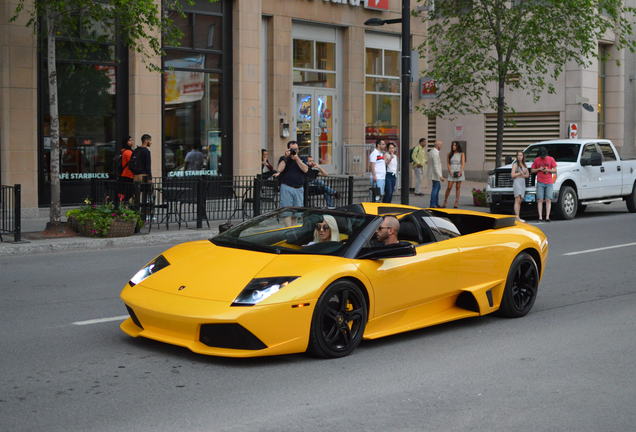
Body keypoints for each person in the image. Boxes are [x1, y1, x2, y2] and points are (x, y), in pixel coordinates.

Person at [275, 140, 309, 225]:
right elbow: (279, 169)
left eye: (296, 149)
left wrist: (297, 158)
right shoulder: (284, 158)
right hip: (287, 187)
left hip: (299, 188)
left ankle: (293, 231)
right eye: (292, 149)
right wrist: (286, 157)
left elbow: (305, 169)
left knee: (297, 213)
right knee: (286, 211)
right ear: (288, 149)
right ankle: (288, 229)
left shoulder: (302, 158)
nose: (294, 151)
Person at [531, 146, 557, 222]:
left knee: (548, 199)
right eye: (542, 155)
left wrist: (548, 170)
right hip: (540, 182)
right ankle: (540, 217)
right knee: (540, 200)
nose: (543, 157)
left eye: (544, 155)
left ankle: (547, 217)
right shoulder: (537, 160)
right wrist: (539, 169)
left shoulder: (551, 159)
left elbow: (555, 170)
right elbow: (532, 170)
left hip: (549, 182)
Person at [133, 134, 152, 224]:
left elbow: (131, 165)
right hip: (143, 176)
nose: (151, 142)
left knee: (136, 198)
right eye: (150, 140)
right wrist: (150, 178)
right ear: (146, 141)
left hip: (135, 177)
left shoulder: (136, 150)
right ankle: (143, 218)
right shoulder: (146, 151)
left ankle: (135, 216)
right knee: (145, 197)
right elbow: (148, 166)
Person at [442, 141, 466, 208]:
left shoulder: (461, 154)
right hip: (452, 170)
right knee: (449, 187)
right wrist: (450, 171)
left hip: (459, 170)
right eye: (452, 145)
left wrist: (461, 171)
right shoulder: (449, 154)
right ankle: (445, 201)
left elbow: (463, 163)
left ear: (457, 146)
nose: (453, 147)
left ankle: (456, 202)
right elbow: (448, 163)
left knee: (458, 187)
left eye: (455, 145)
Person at [511, 150, 530, 222]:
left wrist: (523, 174)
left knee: (520, 200)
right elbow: (512, 175)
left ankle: (518, 216)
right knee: (517, 199)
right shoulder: (515, 164)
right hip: (517, 182)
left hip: (522, 182)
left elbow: (527, 175)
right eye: (518, 155)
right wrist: (519, 173)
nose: (520, 157)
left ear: (523, 156)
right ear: (517, 156)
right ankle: (517, 217)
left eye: (521, 155)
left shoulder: (524, 165)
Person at [116, 136, 135, 203]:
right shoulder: (128, 152)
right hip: (128, 175)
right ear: (126, 142)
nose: (131, 142)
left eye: (132, 140)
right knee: (128, 193)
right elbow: (133, 163)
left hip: (126, 175)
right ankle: (126, 207)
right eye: (129, 140)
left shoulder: (125, 151)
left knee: (125, 193)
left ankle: (125, 206)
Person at [428, 140, 445, 208]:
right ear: (438, 146)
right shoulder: (435, 153)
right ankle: (433, 204)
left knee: (437, 187)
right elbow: (435, 165)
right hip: (435, 174)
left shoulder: (432, 151)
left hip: (434, 173)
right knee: (435, 188)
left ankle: (435, 203)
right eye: (441, 145)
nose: (441, 146)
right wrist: (440, 176)